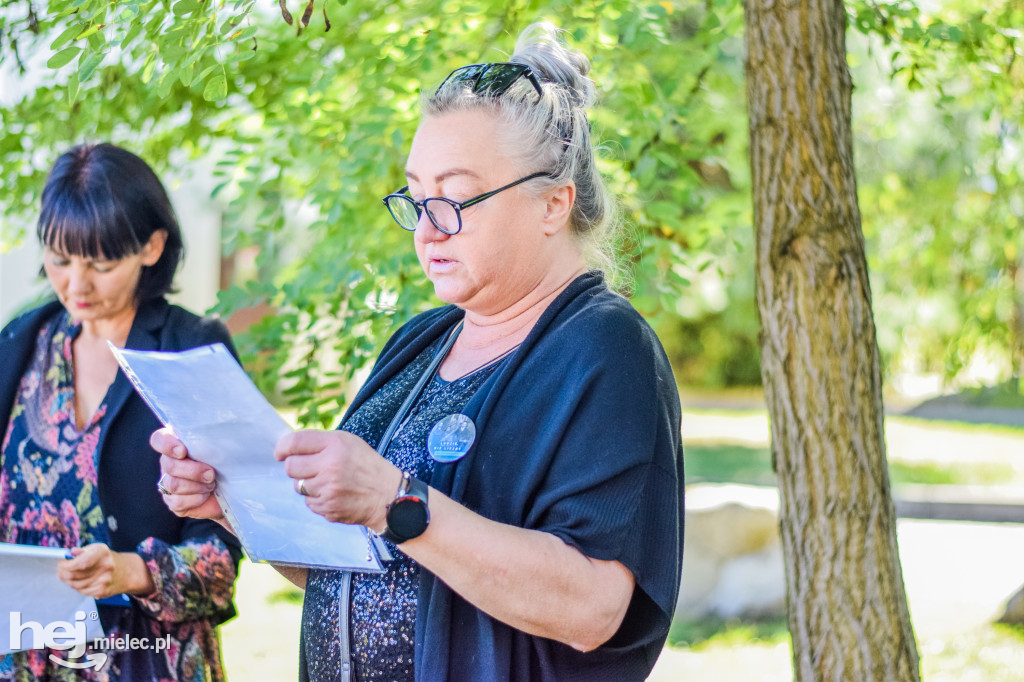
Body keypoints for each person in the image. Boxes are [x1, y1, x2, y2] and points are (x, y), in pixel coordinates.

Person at [155, 21, 684, 682]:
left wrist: (396, 500)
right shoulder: (421, 344)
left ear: (553, 203)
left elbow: (592, 608)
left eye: (456, 199)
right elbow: (346, 566)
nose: (427, 230)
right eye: (417, 197)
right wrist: (230, 500)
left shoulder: (604, 349)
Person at [0, 143, 243, 681]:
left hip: (143, 659)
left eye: (101, 264)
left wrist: (131, 571)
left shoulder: (192, 352)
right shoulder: (20, 343)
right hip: (24, 657)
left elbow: (227, 553)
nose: (76, 285)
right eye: (60, 259)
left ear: (153, 247)